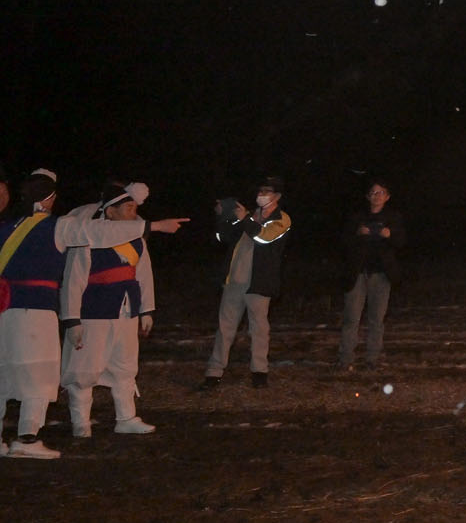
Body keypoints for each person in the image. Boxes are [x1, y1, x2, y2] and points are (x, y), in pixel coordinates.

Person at [1, 174, 181, 457]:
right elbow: (94, 237)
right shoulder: (57, 226)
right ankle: (29, 439)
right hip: (38, 312)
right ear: (48, 199)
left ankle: (124, 417)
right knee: (42, 374)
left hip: (6, 311)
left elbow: (138, 270)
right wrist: (155, 226)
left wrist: (146, 308)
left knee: (4, 373)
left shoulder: (5, 228)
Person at [60, 183, 169, 437]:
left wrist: (146, 310)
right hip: (94, 312)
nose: (134, 213)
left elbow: (143, 274)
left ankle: (126, 418)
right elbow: (73, 280)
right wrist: (72, 319)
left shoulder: (137, 238)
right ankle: (81, 423)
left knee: (125, 366)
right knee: (84, 369)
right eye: (128, 208)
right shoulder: (88, 237)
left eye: (134, 208)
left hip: (126, 311)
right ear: (110, 212)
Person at [202, 177, 291, 389]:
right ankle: (213, 374)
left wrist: (244, 219)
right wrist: (223, 216)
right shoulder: (249, 216)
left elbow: (264, 237)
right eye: (260, 190)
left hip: (259, 284)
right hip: (234, 281)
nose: (262, 194)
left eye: (267, 191)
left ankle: (259, 372)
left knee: (258, 330)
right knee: (225, 329)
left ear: (277, 196)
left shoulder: (282, 219)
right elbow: (222, 238)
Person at [337, 180, 403, 370]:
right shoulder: (357, 217)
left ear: (387, 196)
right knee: (351, 318)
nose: (376, 196)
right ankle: (346, 359)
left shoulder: (393, 217)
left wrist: (389, 234)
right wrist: (358, 233)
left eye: (380, 192)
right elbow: (343, 241)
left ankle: (372, 359)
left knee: (376, 319)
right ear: (368, 196)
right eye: (373, 192)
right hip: (357, 273)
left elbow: (401, 242)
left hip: (381, 274)